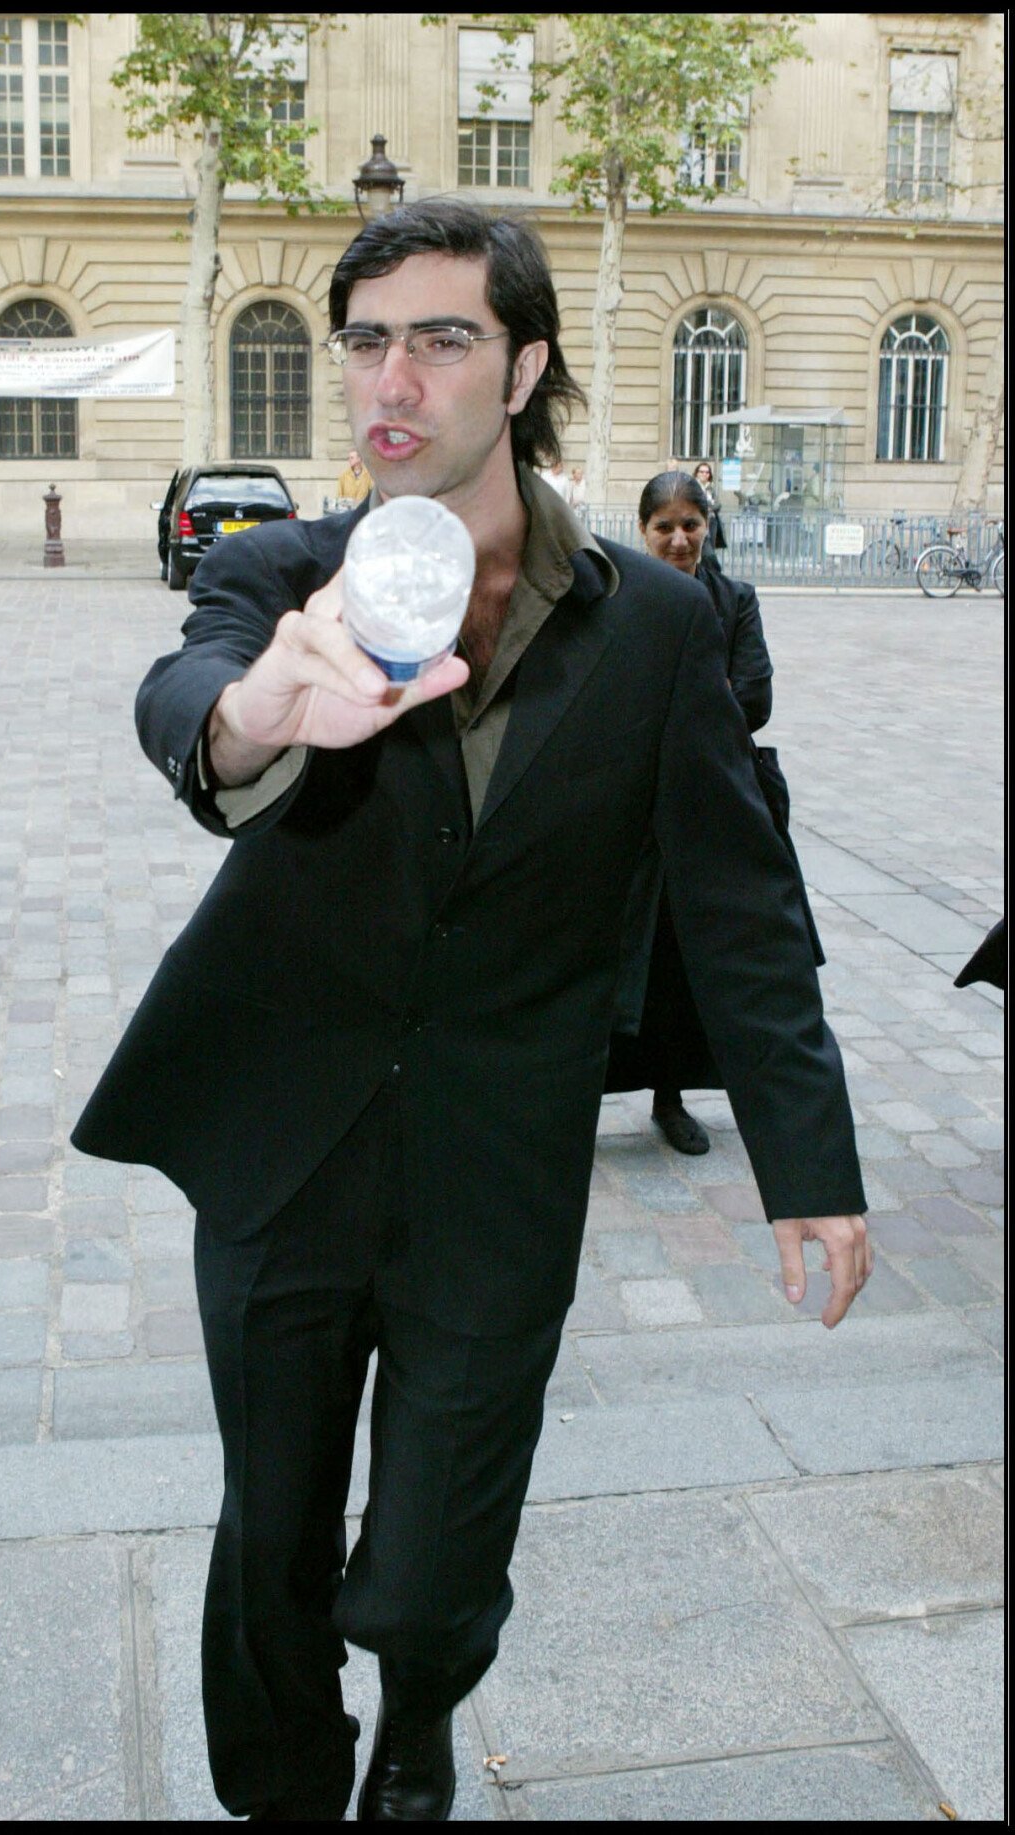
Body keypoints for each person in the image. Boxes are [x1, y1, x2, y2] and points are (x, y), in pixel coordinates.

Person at [72, 200, 871, 1824]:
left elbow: (740, 907)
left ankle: (418, 1732)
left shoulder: (656, 624)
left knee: (437, 1552)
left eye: (441, 338)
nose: (394, 375)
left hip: (493, 1169)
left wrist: (812, 1160)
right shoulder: (286, 572)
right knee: (274, 1531)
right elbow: (191, 700)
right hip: (284, 1146)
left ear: (524, 370)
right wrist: (252, 715)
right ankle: (290, 1792)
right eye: (368, 337)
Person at [605, 470, 824, 1154]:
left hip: (710, 807)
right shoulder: (617, 598)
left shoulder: (736, 600)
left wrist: (677, 705)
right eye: (663, 526)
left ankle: (670, 1097)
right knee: (609, 954)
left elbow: (753, 699)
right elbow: (612, 697)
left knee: (684, 957)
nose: (678, 539)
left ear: (708, 527)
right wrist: (703, 698)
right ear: (642, 531)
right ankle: (576, 1091)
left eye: (690, 524)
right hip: (630, 808)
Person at [692, 458, 728, 559]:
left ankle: (706, 571)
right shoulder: (693, 487)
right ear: (697, 473)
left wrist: (709, 507)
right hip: (698, 522)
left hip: (711, 521)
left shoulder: (710, 488)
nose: (704, 474)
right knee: (702, 550)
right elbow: (698, 503)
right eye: (702, 472)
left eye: (707, 472)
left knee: (710, 549)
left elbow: (718, 505)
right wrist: (709, 505)